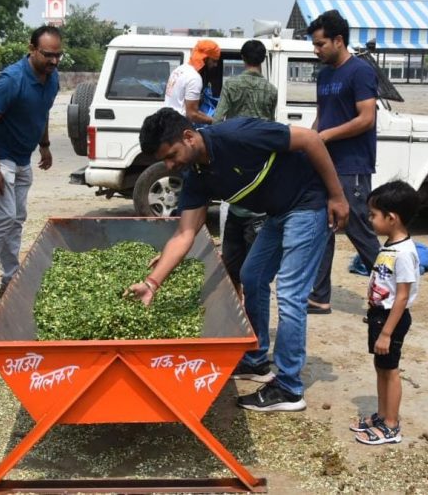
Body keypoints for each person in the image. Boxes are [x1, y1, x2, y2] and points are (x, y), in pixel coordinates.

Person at [128, 107, 349, 412]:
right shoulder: (197, 177)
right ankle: (256, 359)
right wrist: (152, 284)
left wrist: (337, 197)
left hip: (309, 203)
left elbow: (310, 139)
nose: (170, 165)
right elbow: (184, 233)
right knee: (252, 276)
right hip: (278, 212)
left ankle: (288, 388)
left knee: (290, 292)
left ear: (189, 137)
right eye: (163, 161)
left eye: (171, 155)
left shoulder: (238, 135)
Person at [0, 25, 61, 309]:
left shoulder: (52, 77)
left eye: (58, 55)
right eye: (48, 55)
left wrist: (44, 144)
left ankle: (10, 278)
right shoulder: (12, 79)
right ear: (32, 49)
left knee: (18, 217)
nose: (54, 61)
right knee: (5, 216)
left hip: (22, 157)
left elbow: (43, 111)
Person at [306, 10, 381, 315]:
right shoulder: (324, 75)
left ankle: (390, 294)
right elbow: (322, 118)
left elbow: (366, 118)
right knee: (322, 229)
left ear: (339, 40)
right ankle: (320, 296)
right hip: (325, 163)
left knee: (357, 229)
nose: (316, 49)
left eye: (321, 44)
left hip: (352, 164)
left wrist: (325, 137)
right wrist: (309, 143)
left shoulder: (360, 72)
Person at [352, 180, 420, 445]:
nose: (369, 219)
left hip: (392, 319)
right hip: (380, 316)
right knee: (381, 367)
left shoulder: (404, 253)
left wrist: (386, 334)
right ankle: (382, 415)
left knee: (390, 370)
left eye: (373, 215)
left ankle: (391, 425)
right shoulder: (391, 246)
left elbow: (402, 296)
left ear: (391, 218)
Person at [213, 39, 277, 297]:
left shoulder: (231, 85)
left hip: (235, 155)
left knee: (233, 217)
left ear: (242, 58)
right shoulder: (271, 90)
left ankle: (235, 296)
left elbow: (218, 120)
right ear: (262, 60)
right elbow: (271, 125)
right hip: (260, 159)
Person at [164, 39, 220, 125]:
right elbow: (192, 115)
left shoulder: (180, 69)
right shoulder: (194, 78)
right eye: (214, 61)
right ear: (205, 59)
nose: (215, 65)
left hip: (168, 122)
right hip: (179, 127)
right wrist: (215, 121)